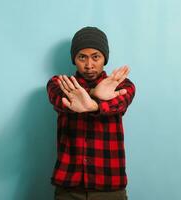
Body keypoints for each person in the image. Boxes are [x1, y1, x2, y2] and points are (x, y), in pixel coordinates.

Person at [47, 26, 136, 200]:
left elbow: (120, 104)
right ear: (74, 59)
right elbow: (61, 100)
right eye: (82, 57)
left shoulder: (122, 86)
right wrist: (95, 94)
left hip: (110, 186)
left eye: (96, 57)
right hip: (68, 187)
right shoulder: (59, 84)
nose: (89, 65)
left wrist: (93, 105)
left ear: (105, 58)